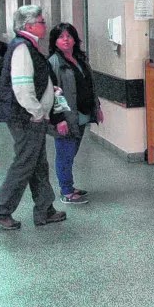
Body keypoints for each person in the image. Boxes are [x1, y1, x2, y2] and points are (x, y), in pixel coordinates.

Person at [0, 5, 67, 230]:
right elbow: (22, 87)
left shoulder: (28, 46)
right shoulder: (22, 48)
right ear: (28, 25)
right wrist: (38, 112)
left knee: (38, 164)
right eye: (41, 21)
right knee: (24, 164)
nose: (45, 25)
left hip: (30, 117)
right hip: (26, 118)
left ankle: (44, 209)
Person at [47, 23, 103, 204]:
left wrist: (97, 107)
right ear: (54, 41)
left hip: (81, 114)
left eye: (69, 36)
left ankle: (69, 185)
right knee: (65, 154)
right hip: (66, 117)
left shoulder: (80, 59)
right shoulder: (54, 63)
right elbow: (52, 94)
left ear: (74, 39)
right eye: (61, 37)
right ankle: (66, 191)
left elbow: (89, 86)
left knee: (71, 153)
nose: (65, 40)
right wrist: (59, 119)